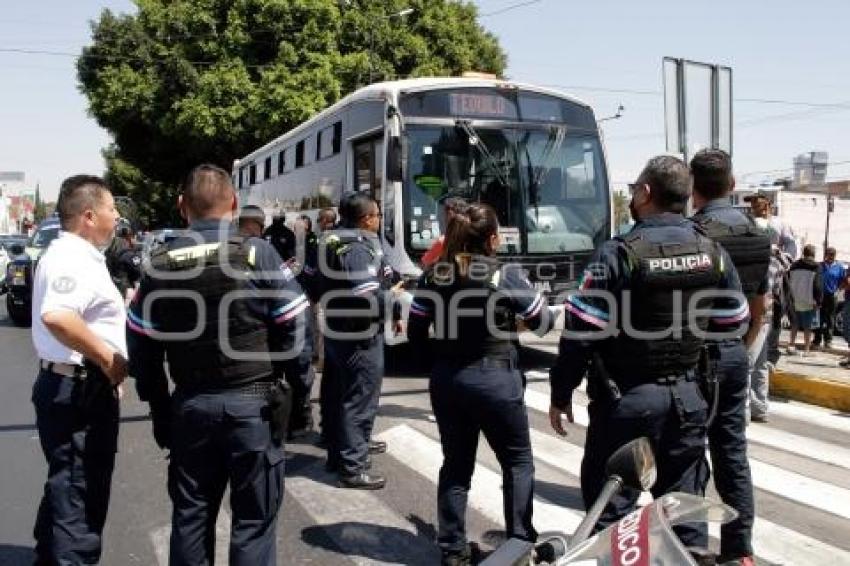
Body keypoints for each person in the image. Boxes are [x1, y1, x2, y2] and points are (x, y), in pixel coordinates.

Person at [549, 156, 748, 557]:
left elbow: (580, 332)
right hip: (689, 400)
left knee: (611, 515)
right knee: (684, 516)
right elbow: (734, 320)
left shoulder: (619, 253)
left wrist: (560, 392)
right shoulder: (712, 251)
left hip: (629, 402)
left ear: (645, 193)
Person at [128, 164, 308, 566]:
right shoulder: (257, 252)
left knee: (191, 518)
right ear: (234, 204)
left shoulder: (159, 262)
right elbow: (296, 324)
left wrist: (160, 410)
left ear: (181, 207)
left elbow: (141, 346)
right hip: (255, 409)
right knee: (253, 524)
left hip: (191, 408)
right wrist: (299, 397)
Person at [407, 203, 553, 565]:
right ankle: (518, 546)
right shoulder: (504, 275)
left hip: (448, 380)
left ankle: (453, 551)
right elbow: (543, 322)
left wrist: (443, 358)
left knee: (456, 466)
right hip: (495, 379)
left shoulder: (433, 274)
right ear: (491, 239)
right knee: (518, 462)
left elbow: (415, 332)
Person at [31, 174, 128, 565]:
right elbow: (58, 316)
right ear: (89, 216)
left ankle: (47, 557)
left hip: (76, 384)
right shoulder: (72, 256)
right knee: (79, 497)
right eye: (110, 209)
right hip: (78, 391)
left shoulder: (79, 255)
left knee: (66, 487)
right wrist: (109, 361)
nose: (117, 216)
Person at [689, 149, 770, 563]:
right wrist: (739, 347)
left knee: (688, 453)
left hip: (691, 357)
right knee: (732, 453)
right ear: (732, 184)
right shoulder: (759, 234)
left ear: (692, 187)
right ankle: (740, 550)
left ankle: (693, 546)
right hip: (735, 351)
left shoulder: (692, 233)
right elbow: (759, 308)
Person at [319, 192, 400, 489]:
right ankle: (353, 466)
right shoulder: (356, 248)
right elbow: (367, 296)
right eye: (377, 215)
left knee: (338, 394)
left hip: (338, 329)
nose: (379, 220)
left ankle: (338, 452)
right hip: (360, 334)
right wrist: (396, 299)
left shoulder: (332, 238)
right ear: (366, 219)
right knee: (360, 398)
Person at [788, 244, 823, 356]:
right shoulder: (816, 267)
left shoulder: (794, 265)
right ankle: (806, 349)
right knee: (807, 326)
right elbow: (818, 285)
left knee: (794, 323)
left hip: (794, 298)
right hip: (808, 299)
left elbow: (788, 280)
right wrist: (818, 301)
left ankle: (791, 345)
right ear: (813, 254)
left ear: (804, 253)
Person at [745, 190, 798, 259]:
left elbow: (790, 243)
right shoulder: (748, 223)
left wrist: (787, 259)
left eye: (756, 201)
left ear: (766, 204)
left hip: (775, 265)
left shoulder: (780, 223)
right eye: (751, 202)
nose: (753, 205)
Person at [420, 196, 469, 269]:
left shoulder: (443, 241)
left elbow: (424, 264)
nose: (443, 219)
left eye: (445, 215)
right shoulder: (472, 238)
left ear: (450, 215)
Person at [813, 247, 846, 350]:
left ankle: (828, 340)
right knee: (819, 318)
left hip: (832, 295)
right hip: (820, 295)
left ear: (834, 255)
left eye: (832, 254)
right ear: (825, 255)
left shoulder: (839, 267)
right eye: (828, 254)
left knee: (830, 318)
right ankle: (817, 340)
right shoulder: (819, 265)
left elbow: (843, 281)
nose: (830, 256)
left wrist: (838, 290)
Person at [106, 222, 143, 305]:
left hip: (114, 292)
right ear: (129, 236)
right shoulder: (128, 254)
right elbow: (140, 274)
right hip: (128, 294)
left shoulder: (108, 251)